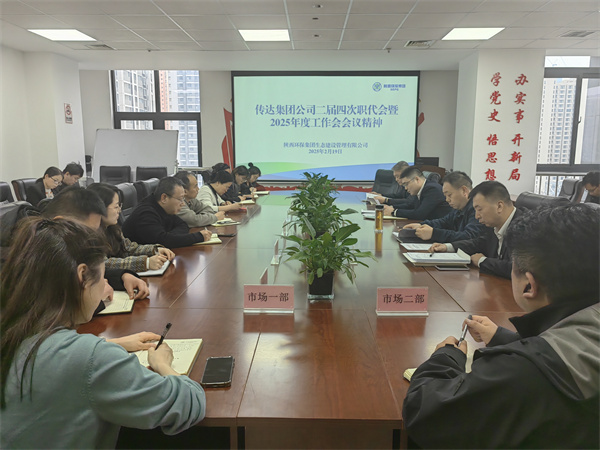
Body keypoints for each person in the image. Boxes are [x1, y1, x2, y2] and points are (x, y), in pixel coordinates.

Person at [402, 204, 599, 448]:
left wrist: (445, 358)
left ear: (529, 285)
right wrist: (504, 338)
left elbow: (424, 413)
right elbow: (566, 348)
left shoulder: (520, 373)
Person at [0, 217, 206, 448]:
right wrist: (162, 364)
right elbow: (188, 404)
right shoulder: (89, 358)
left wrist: (114, 344)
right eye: (102, 276)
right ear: (82, 276)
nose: (105, 285)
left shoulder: (13, 330)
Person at [43, 185, 150, 302]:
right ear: (60, 222)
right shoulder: (39, 256)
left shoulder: (64, 243)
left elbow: (89, 272)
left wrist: (123, 277)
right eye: (86, 233)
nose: (90, 240)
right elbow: (57, 304)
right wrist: (92, 298)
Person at [429, 180, 522, 279]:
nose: (477, 216)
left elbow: (519, 269)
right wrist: (447, 247)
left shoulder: (526, 228)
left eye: (480, 209)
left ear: (499, 206)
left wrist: (482, 261)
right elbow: (479, 243)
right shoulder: (494, 224)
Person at [87, 183, 175, 273]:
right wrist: (146, 263)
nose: (119, 211)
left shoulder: (112, 228)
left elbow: (129, 248)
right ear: (100, 208)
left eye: (120, 206)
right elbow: (104, 264)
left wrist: (155, 250)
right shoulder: (88, 235)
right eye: (116, 206)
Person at [123, 177, 212, 248]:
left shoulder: (164, 208)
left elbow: (182, 225)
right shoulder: (146, 213)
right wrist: (199, 237)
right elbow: (163, 242)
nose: (183, 204)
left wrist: (170, 237)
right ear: (164, 198)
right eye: (180, 199)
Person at [401, 171, 485, 243]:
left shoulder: (477, 210)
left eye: (449, 195)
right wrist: (421, 225)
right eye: (445, 196)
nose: (447, 200)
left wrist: (434, 233)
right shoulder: (459, 208)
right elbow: (444, 222)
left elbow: (469, 236)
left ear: (464, 190)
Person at [383, 167, 451, 220]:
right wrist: (390, 207)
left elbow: (419, 214)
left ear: (417, 179)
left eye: (406, 184)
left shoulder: (432, 189)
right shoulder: (421, 189)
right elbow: (410, 205)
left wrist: (394, 212)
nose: (405, 188)